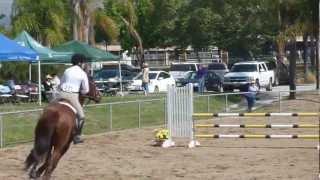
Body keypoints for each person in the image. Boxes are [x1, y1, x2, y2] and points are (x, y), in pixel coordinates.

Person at [57, 54, 89, 144]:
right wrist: (81, 92)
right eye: (83, 62)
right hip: (73, 96)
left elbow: (60, 84)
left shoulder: (67, 70)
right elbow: (86, 90)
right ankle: (77, 136)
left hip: (61, 94)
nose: (84, 64)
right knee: (82, 117)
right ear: (79, 63)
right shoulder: (82, 73)